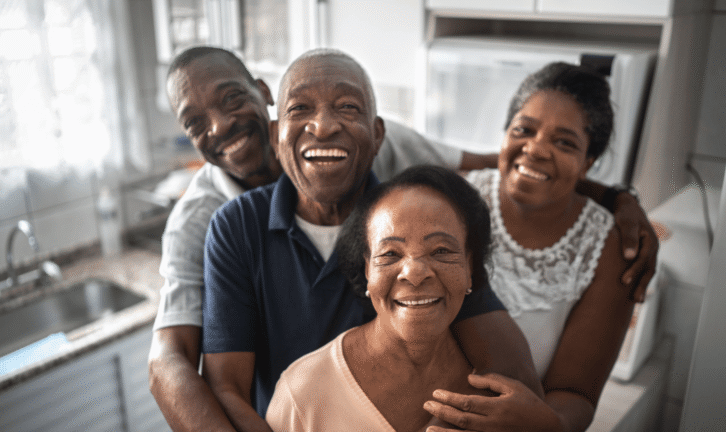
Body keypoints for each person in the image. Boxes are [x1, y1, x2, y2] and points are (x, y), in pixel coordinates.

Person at [149, 46, 657, 431]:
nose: (323, 125)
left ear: (378, 137)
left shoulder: (408, 207)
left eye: (347, 109)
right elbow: (189, 370)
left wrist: (617, 199)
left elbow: (512, 162)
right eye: (301, 110)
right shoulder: (222, 223)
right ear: (281, 130)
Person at [424, 62, 639, 432]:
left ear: (589, 163)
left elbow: (576, 396)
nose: (536, 150)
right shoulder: (451, 200)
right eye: (524, 130)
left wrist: (542, 423)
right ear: (505, 134)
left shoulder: (607, 247)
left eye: (564, 142)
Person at [265, 165, 501, 431]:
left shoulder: (497, 396)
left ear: (470, 267)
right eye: (390, 254)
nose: (414, 274)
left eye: (441, 250)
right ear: (367, 269)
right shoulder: (303, 394)